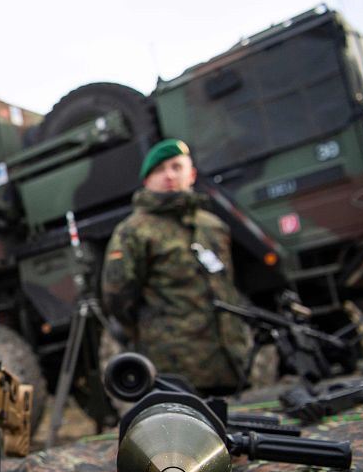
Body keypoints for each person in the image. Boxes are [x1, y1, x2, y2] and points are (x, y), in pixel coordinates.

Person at [101, 139, 251, 395]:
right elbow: (118, 297)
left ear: (191, 174)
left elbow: (228, 286)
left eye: (176, 167)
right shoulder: (133, 232)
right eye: (159, 170)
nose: (169, 175)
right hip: (174, 369)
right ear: (146, 181)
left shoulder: (213, 226)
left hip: (228, 363)